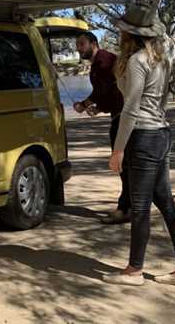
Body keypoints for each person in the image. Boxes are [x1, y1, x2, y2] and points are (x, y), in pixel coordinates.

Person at [102, 0, 175, 288]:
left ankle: (134, 271)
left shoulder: (136, 61)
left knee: (140, 206)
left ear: (131, 33)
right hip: (161, 134)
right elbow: (160, 100)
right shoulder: (161, 59)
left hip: (142, 137)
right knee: (165, 201)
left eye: (123, 29)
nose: (120, 33)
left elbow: (130, 108)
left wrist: (118, 150)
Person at [73, 31, 131, 224]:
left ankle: (126, 209)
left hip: (123, 117)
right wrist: (97, 108)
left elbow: (104, 89)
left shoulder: (103, 61)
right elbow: (105, 91)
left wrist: (85, 105)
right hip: (119, 115)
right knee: (125, 164)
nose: (78, 48)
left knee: (122, 163)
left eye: (82, 44)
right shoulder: (101, 62)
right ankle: (129, 206)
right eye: (77, 45)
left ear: (94, 43)